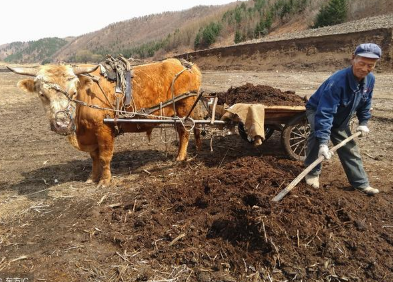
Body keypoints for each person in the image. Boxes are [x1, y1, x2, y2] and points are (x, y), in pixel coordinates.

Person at [304, 43, 381, 195]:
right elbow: (325, 113)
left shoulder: (370, 80)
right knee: (317, 137)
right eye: (362, 63)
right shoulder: (337, 82)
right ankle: (312, 173)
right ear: (353, 59)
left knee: (349, 147)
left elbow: (366, 102)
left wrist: (363, 123)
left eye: (370, 65)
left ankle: (361, 184)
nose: (365, 69)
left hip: (341, 115)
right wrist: (324, 143)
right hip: (318, 110)